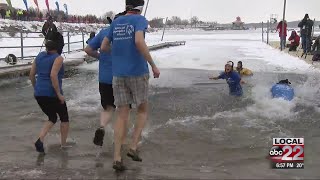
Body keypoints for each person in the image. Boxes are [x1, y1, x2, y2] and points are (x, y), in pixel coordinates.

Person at [101, 0, 160, 171]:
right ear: (140, 7)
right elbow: (139, 42)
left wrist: (119, 53)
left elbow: (104, 46)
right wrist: (153, 65)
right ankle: (133, 147)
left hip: (118, 75)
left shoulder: (116, 22)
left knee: (122, 115)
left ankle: (117, 157)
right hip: (137, 72)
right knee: (142, 110)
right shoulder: (140, 19)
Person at [84, 11, 127, 148]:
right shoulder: (128, 34)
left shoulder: (104, 32)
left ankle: (102, 127)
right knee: (124, 110)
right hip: (122, 78)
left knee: (108, 108)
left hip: (104, 78)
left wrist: (101, 57)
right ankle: (119, 141)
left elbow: (88, 49)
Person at [29, 31, 70, 153]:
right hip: (52, 94)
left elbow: (31, 75)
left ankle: (40, 140)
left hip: (39, 94)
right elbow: (53, 75)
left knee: (52, 117)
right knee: (64, 118)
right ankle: (63, 145)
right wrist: (59, 95)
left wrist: (36, 88)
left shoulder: (39, 56)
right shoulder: (58, 58)